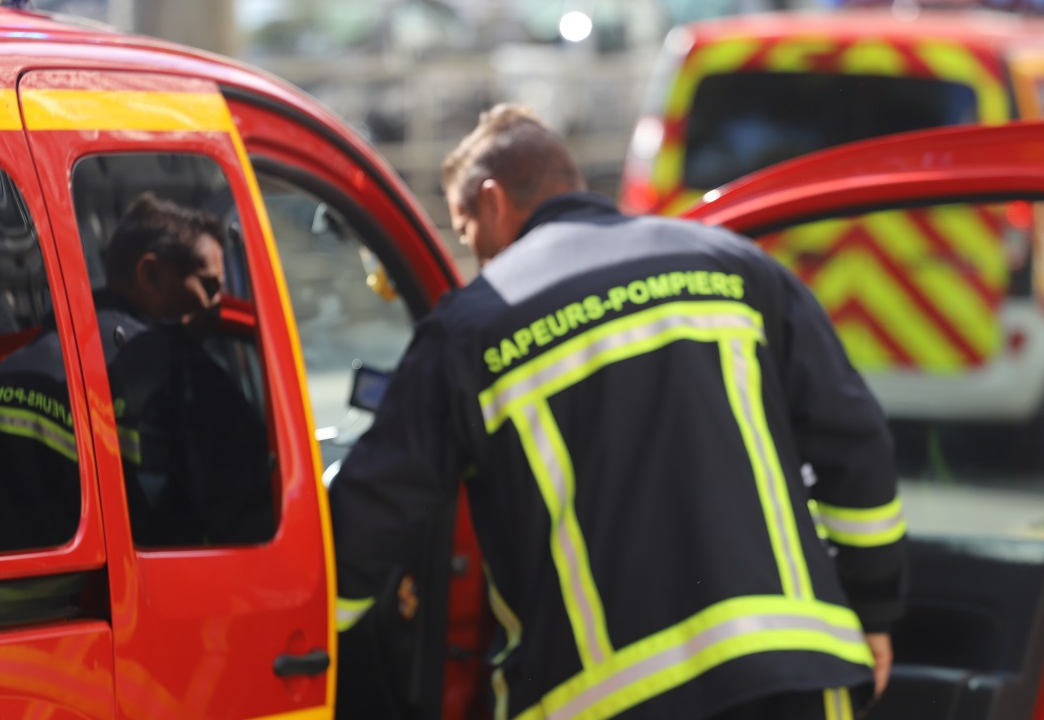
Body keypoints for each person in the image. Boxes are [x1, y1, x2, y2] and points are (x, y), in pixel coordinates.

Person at [330, 104, 906, 720]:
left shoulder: (470, 331)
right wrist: (872, 611)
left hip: (610, 699)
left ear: (492, 201)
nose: (475, 259)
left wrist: (310, 631)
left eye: (466, 232)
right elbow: (857, 445)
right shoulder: (735, 265)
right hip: (793, 672)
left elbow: (377, 509)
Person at [0, 192, 272, 555]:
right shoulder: (185, 380)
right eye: (208, 286)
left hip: (0, 610)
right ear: (151, 274)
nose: (215, 308)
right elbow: (253, 532)